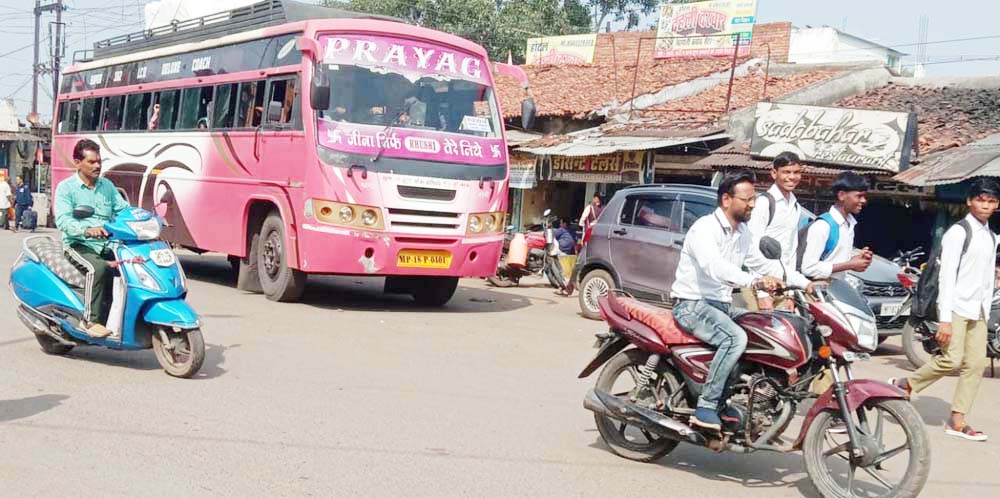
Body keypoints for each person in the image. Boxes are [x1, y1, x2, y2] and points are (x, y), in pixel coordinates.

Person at [670, 169, 814, 431]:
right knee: (735, 338)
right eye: (746, 199)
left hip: (721, 305)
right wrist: (753, 281)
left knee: (769, 326)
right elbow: (713, 266)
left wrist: (807, 284)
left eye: (753, 200)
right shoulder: (705, 228)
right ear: (727, 200)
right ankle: (707, 405)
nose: (752, 205)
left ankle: (737, 398)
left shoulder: (743, 232)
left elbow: (764, 264)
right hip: (692, 304)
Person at [892, 178, 1000, 442]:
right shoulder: (958, 233)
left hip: (979, 307)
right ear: (969, 201)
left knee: (975, 365)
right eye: (980, 200)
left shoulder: (991, 236)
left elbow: (986, 275)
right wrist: (945, 320)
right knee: (952, 359)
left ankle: (958, 420)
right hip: (956, 306)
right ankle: (906, 384)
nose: (985, 206)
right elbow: (946, 277)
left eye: (991, 201)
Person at [54, 139, 131, 338]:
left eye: (99, 161)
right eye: (91, 162)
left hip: (107, 243)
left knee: (132, 265)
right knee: (97, 268)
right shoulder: (66, 188)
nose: (97, 166)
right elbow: (62, 221)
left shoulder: (107, 186)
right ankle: (89, 321)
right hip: (79, 243)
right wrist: (88, 229)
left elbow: (124, 210)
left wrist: (147, 218)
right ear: (77, 162)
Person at [745, 152, 804, 310]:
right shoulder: (764, 203)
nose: (792, 177)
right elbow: (752, 248)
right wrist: (763, 293)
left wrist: (790, 292)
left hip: (783, 286)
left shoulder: (795, 206)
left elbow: (791, 252)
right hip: (762, 286)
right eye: (786, 172)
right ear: (774, 173)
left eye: (796, 172)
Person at [800, 171, 873, 280]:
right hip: (818, 291)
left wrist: (855, 261)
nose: (863, 201)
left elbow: (834, 261)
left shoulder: (849, 225)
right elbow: (809, 268)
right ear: (842, 195)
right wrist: (850, 264)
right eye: (859, 196)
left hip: (835, 290)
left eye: (864, 196)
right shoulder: (823, 226)